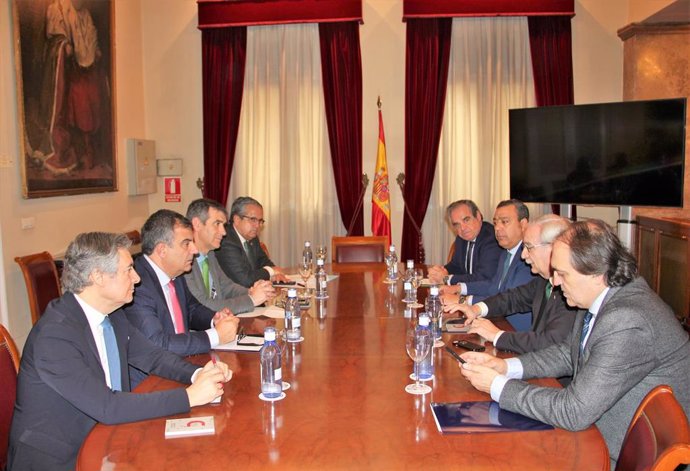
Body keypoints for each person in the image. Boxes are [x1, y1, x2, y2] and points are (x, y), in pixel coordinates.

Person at [459, 220, 690, 465]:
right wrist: (505, 367)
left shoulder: (628, 320)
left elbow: (574, 412)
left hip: (616, 452)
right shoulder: (598, 296)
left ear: (595, 273)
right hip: (598, 427)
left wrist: (497, 386)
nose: (555, 282)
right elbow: (567, 353)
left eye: (562, 273)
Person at [7, 233, 231, 471]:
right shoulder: (55, 336)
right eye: (128, 271)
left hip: (111, 439)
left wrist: (200, 374)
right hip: (62, 458)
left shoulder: (112, 314)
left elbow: (152, 356)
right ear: (98, 276)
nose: (137, 278)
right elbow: (107, 406)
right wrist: (190, 397)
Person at [125, 210, 239, 384]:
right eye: (187, 243)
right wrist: (215, 336)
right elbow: (158, 343)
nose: (194, 250)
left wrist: (214, 319)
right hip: (151, 381)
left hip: (182, 364)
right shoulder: (137, 285)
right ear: (162, 250)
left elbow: (191, 309)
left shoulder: (175, 273)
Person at [445, 215, 578, 354]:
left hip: (549, 371)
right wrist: (476, 309)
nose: (523, 255)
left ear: (553, 247)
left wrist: (497, 335)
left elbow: (548, 343)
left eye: (529, 247)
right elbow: (513, 298)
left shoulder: (570, 290)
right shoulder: (543, 280)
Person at [444, 200, 535, 331]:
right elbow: (493, 287)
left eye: (504, 222)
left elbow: (506, 299)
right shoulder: (506, 252)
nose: (497, 228)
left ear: (523, 224)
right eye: (495, 223)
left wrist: (463, 300)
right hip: (497, 323)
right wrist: (459, 290)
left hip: (515, 332)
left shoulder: (529, 256)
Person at [184, 198, 276, 312]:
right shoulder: (184, 260)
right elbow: (202, 306)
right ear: (197, 224)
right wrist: (252, 299)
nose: (223, 232)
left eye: (223, 225)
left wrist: (250, 291)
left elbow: (226, 287)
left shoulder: (210, 254)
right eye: (217, 224)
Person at [215, 196, 289, 287]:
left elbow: (263, 261)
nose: (257, 225)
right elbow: (245, 279)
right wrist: (271, 271)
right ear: (237, 219)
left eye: (260, 221)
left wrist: (276, 274)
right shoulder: (226, 241)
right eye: (253, 220)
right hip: (232, 297)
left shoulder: (252, 238)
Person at [428, 200, 502, 286]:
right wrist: (441, 271)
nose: (462, 228)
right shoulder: (461, 238)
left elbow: (483, 277)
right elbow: (456, 266)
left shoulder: (492, 239)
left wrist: (447, 278)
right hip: (466, 291)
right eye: (457, 224)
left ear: (478, 216)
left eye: (466, 220)